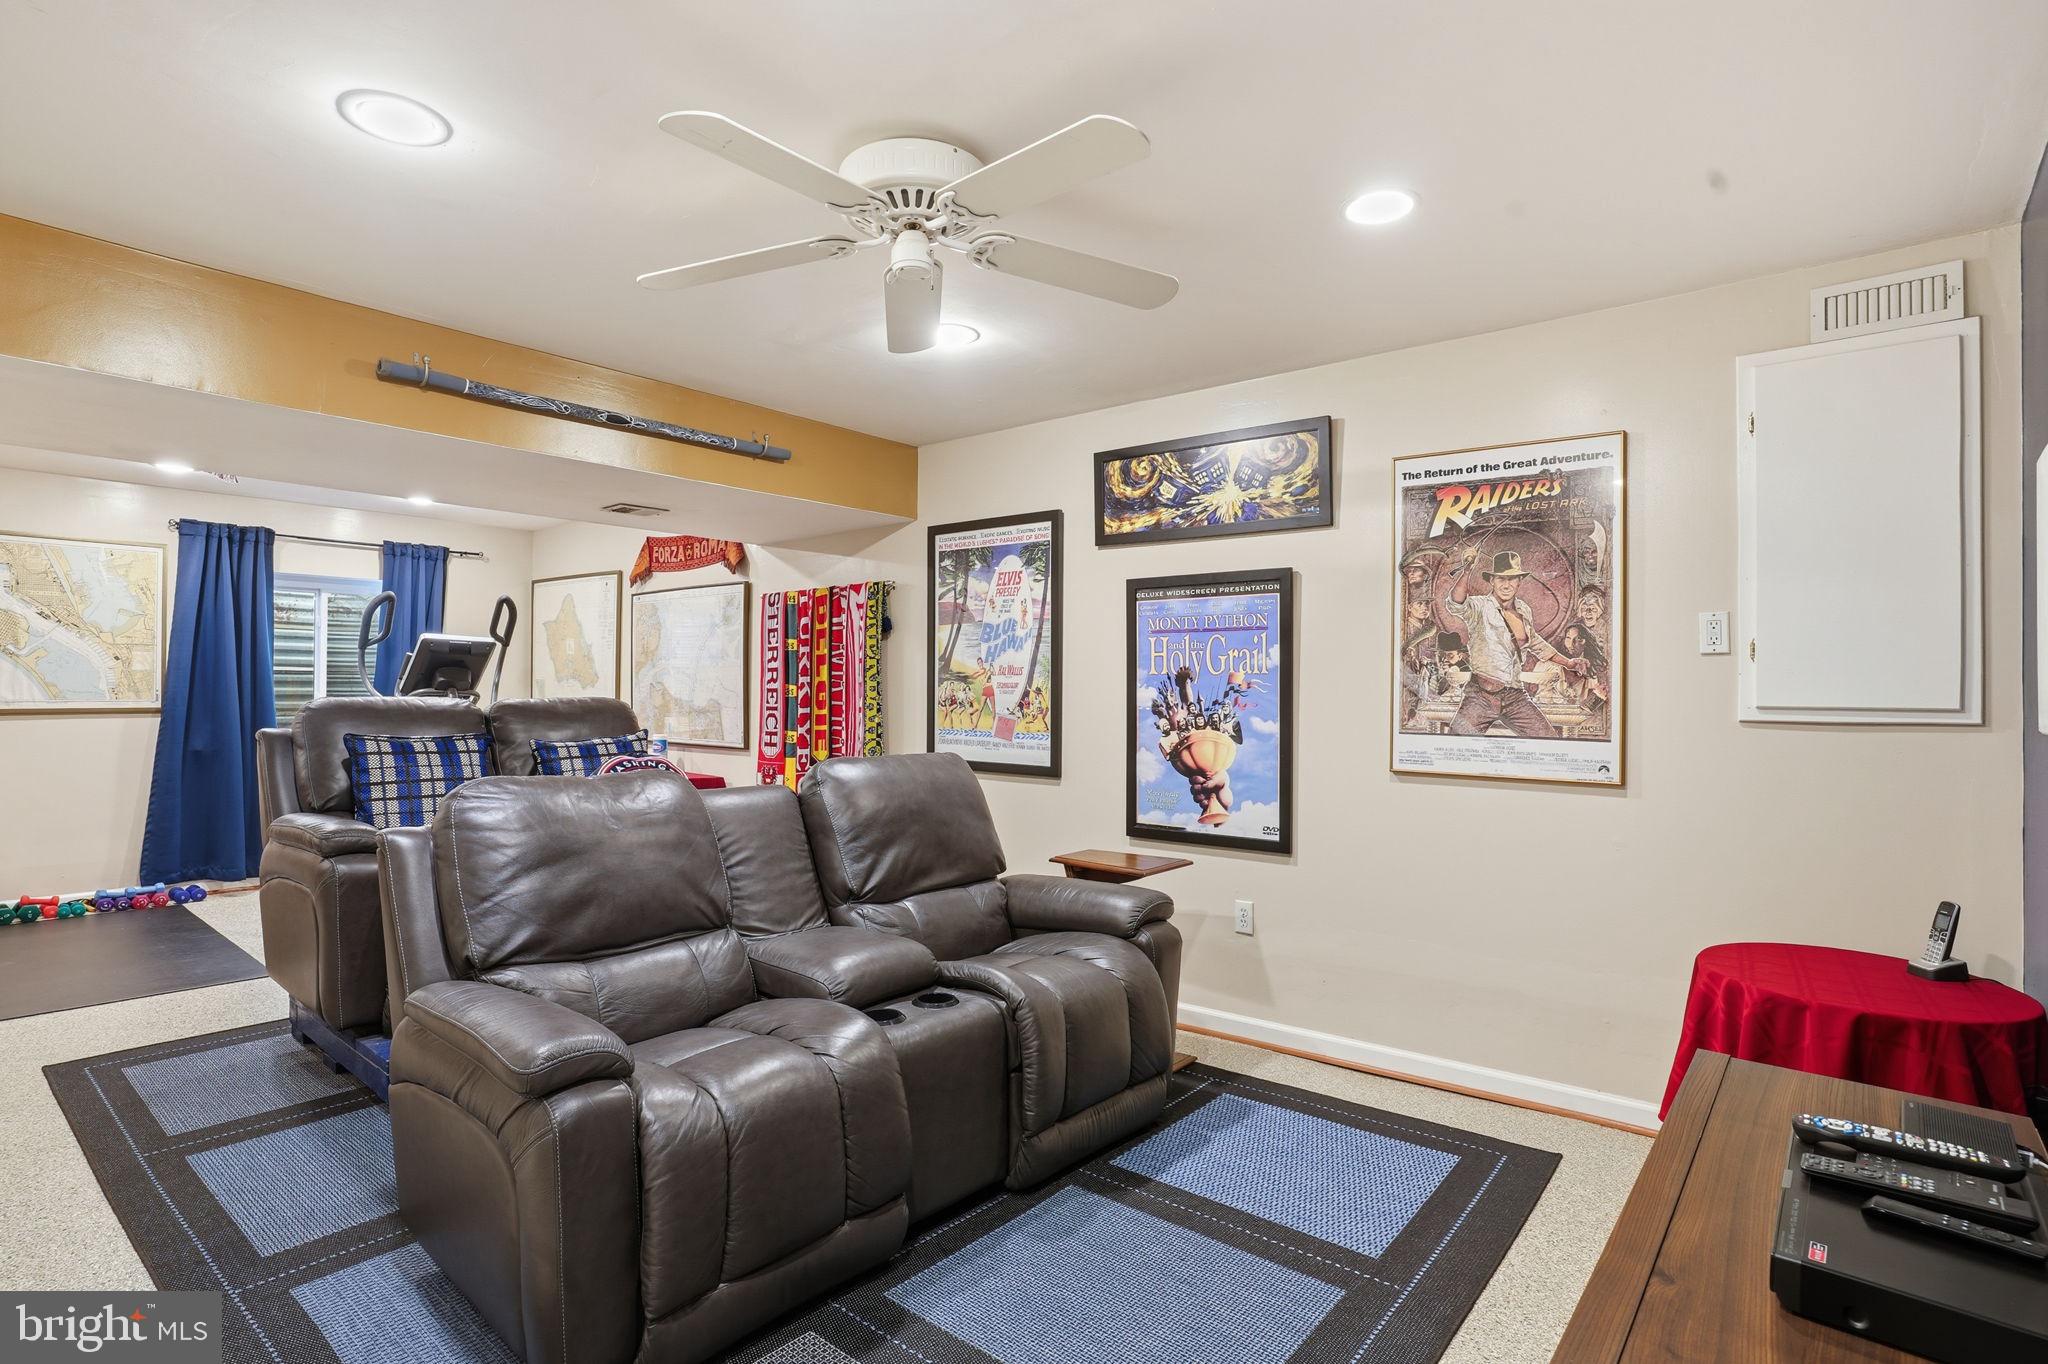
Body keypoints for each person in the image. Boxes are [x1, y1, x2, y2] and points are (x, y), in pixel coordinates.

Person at [1443, 548, 1586, 738]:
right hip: (1481, 696)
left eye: (1512, 578)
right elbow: (1456, 602)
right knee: (1455, 745)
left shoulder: (1524, 610)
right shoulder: (1480, 607)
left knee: (1549, 740)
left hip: (1516, 697)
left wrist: (1568, 663)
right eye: (1501, 578)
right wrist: (1468, 569)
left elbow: (1536, 643)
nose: (1506, 584)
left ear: (1519, 581)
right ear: (1492, 580)